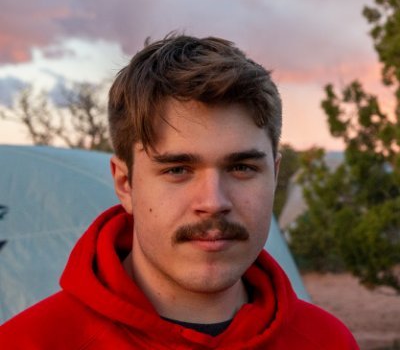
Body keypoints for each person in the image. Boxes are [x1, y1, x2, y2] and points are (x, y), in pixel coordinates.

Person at [0, 34, 359, 349]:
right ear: (125, 184)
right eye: (177, 170)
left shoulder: (328, 342)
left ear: (274, 175)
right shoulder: (27, 344)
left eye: (241, 168)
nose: (213, 202)